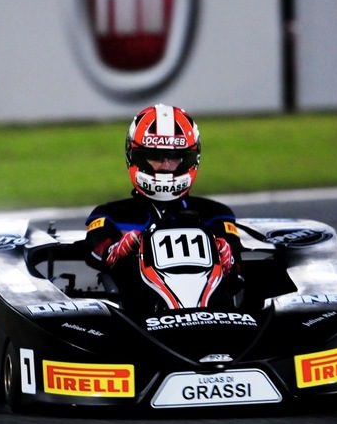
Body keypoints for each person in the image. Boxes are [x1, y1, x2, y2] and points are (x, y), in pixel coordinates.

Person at [85, 104, 244, 305]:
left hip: (216, 316)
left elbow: (239, 272)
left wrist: (228, 259)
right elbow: (94, 252)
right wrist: (116, 251)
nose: (166, 166)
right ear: (135, 158)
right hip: (137, 320)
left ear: (190, 160)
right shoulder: (111, 216)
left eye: (175, 158)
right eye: (156, 157)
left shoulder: (215, 215)